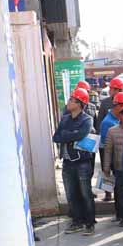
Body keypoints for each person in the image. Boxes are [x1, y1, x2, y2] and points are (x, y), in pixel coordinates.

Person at [53, 88, 97, 236]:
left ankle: (90, 223)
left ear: (80, 104)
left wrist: (66, 134)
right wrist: (71, 134)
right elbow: (56, 137)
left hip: (82, 162)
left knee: (85, 194)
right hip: (67, 162)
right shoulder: (65, 119)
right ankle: (77, 221)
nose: (69, 102)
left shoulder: (87, 119)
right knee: (71, 195)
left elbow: (82, 134)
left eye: (72, 100)